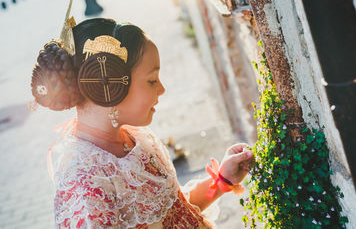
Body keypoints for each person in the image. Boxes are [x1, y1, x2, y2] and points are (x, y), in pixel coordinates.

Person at [30, 12, 254, 228]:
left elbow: (174, 212)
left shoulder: (136, 140)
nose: (162, 89)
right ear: (109, 86)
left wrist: (221, 181)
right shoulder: (87, 185)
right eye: (151, 80)